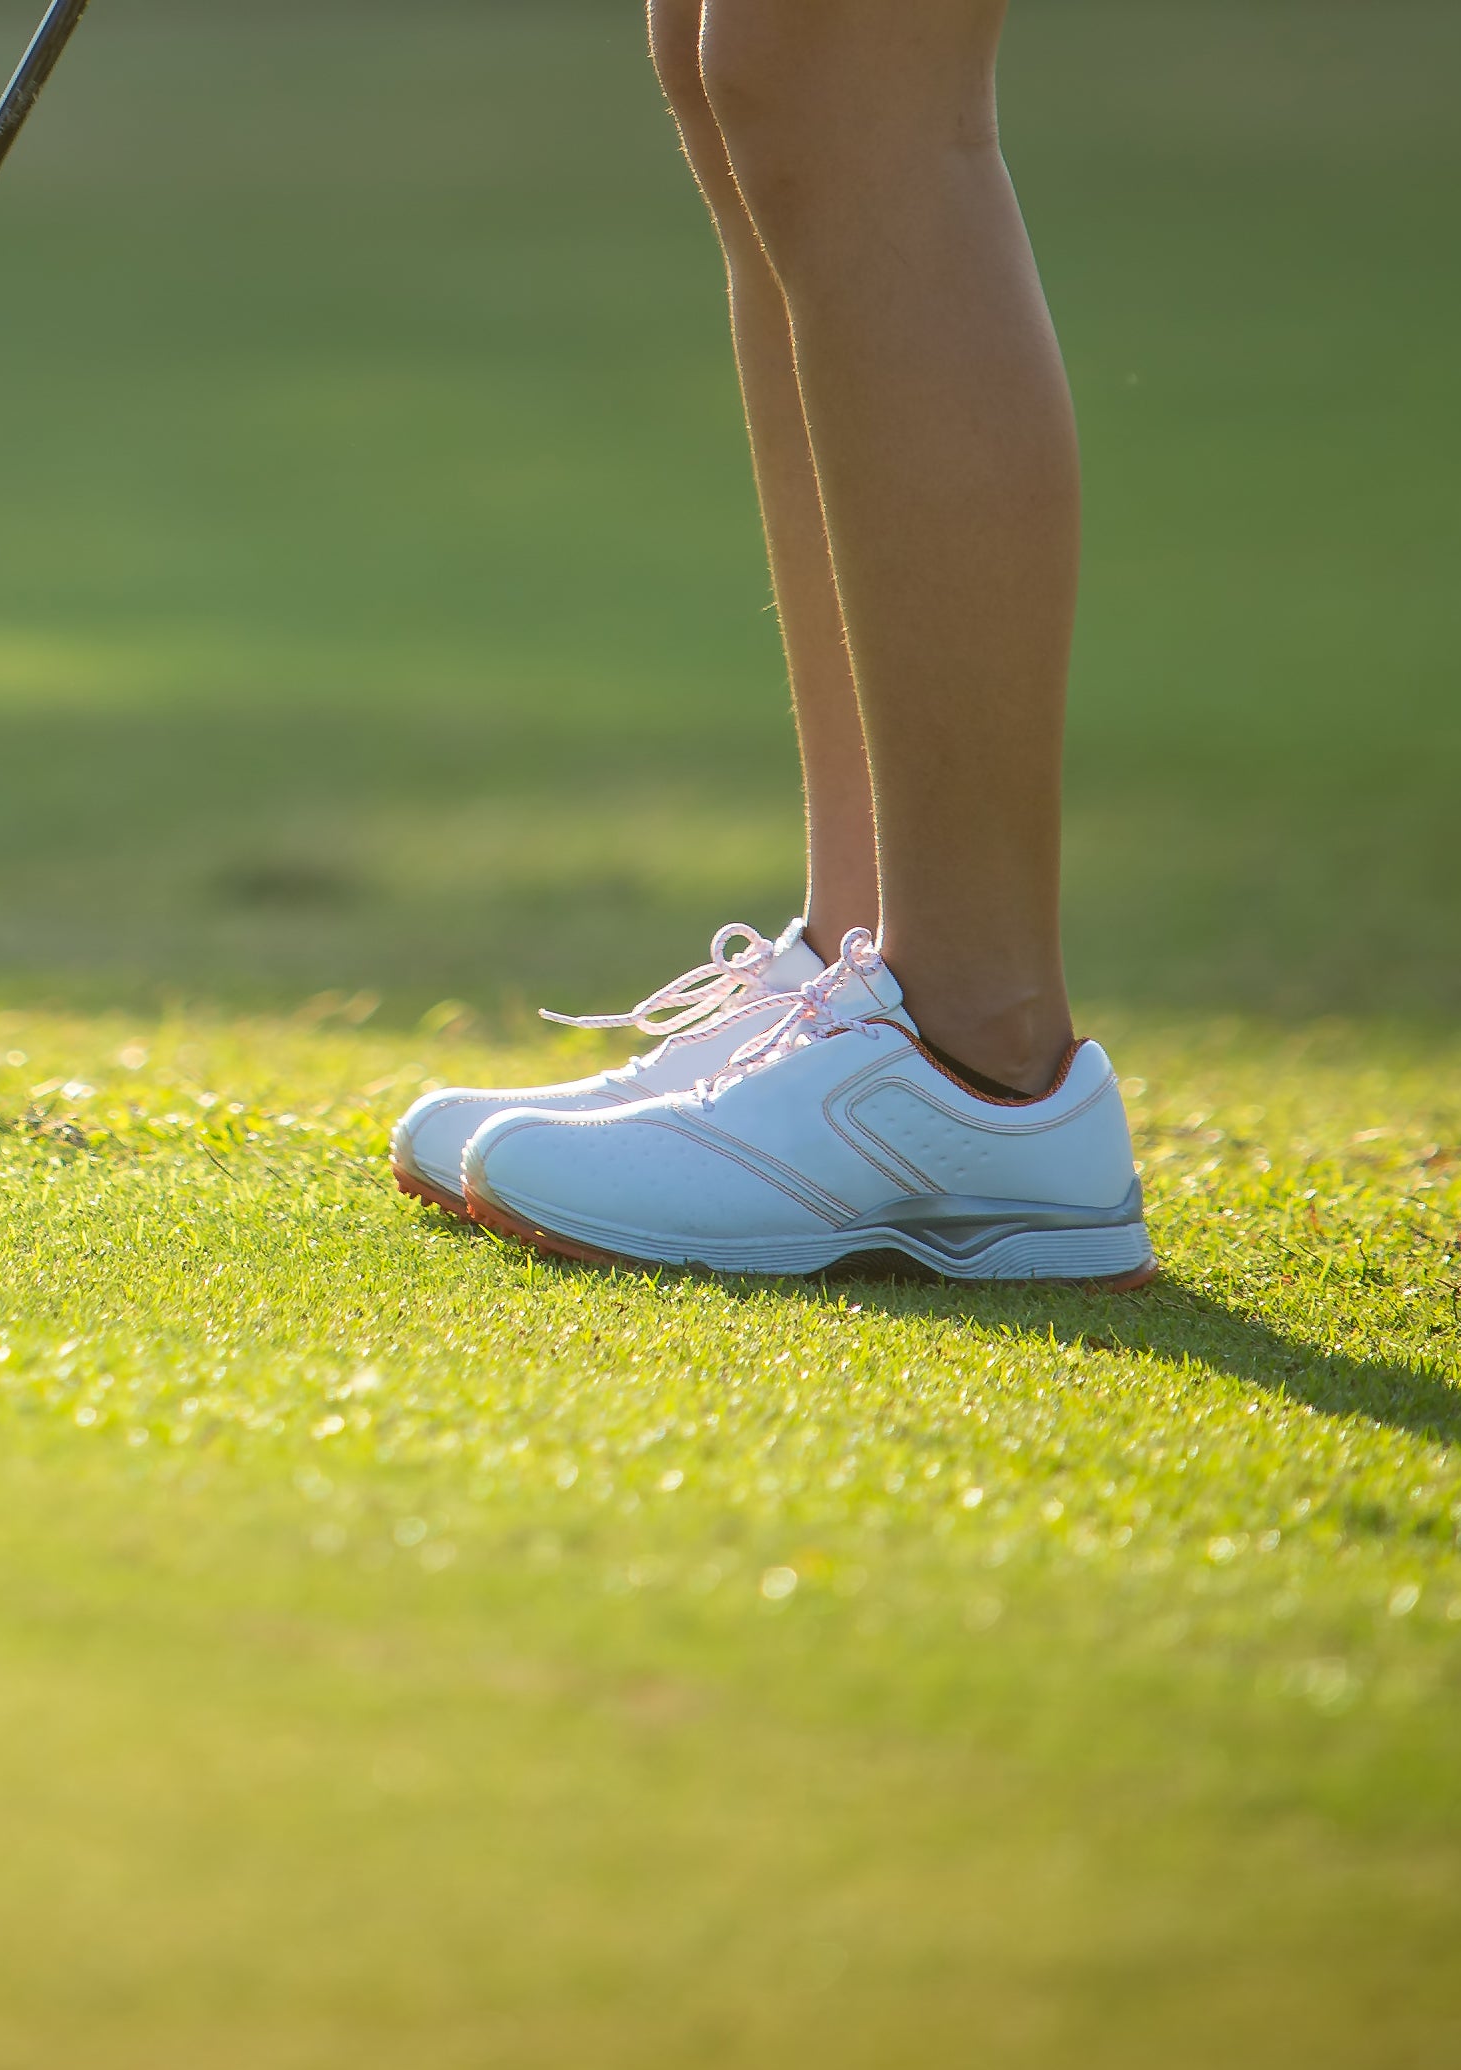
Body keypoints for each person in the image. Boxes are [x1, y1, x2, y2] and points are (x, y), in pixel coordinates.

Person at [390, 0, 1151, 1287]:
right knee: (732, 63)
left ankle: (974, 1050)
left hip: (980, 1068)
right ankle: (864, 965)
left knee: (837, 61)